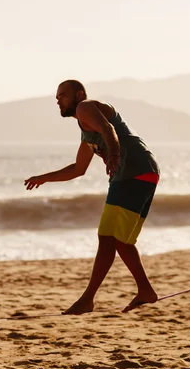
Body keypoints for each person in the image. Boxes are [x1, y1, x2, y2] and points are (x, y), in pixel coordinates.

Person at [24, 79, 161, 315]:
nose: (59, 101)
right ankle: (144, 290)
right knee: (115, 240)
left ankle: (88, 299)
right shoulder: (86, 130)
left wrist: (115, 155)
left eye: (63, 95)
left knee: (111, 238)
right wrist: (44, 177)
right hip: (134, 174)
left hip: (134, 171)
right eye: (57, 98)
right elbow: (78, 168)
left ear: (78, 95)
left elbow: (109, 130)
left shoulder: (85, 107)